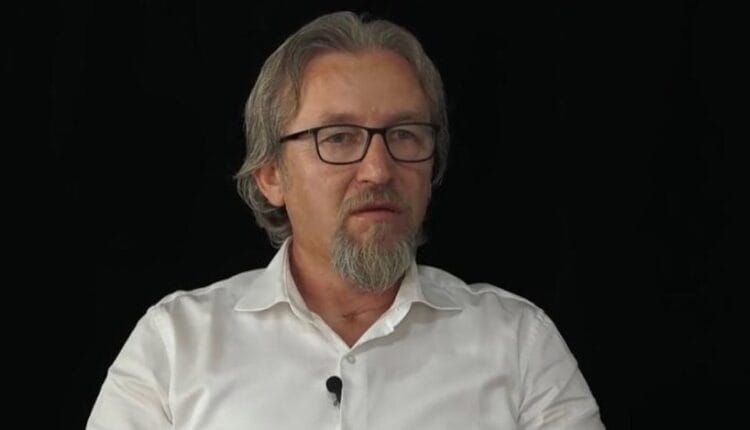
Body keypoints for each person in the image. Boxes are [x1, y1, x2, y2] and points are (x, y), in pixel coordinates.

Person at [87, 11, 604, 429]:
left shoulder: (518, 343)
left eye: (404, 134)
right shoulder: (175, 345)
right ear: (271, 175)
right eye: (337, 138)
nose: (378, 169)